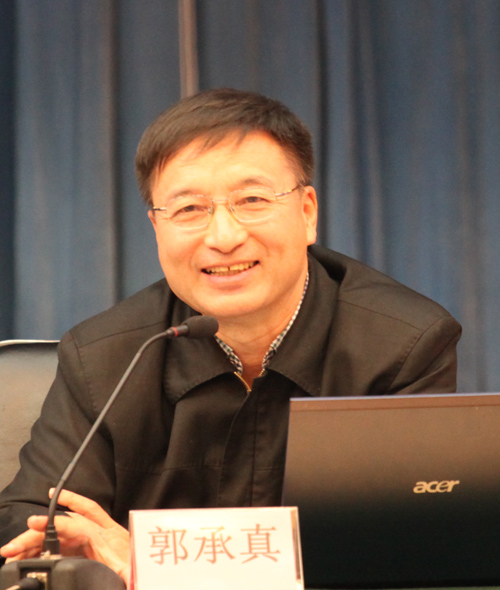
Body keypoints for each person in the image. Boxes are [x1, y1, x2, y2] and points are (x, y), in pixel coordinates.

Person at [0, 88, 461, 583]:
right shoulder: (105, 357)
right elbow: (30, 521)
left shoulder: (403, 346)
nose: (223, 237)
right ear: (156, 227)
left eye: (252, 200)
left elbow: (413, 542)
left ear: (307, 212)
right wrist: (70, 544)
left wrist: (160, 564)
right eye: (189, 209)